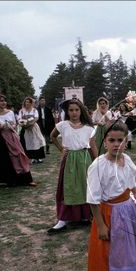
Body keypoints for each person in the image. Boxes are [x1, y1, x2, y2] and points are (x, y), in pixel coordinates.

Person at [86, 119, 136, 271]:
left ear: (126, 141)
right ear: (104, 142)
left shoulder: (126, 159)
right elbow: (93, 199)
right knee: (110, 254)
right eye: (111, 140)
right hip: (109, 213)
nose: (116, 144)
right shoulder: (98, 166)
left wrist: (135, 193)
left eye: (120, 140)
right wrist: (101, 225)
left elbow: (129, 180)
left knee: (128, 250)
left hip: (127, 210)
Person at [47, 99, 98, 233]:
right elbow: (52, 136)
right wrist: (61, 149)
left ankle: (87, 216)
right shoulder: (62, 125)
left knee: (85, 187)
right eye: (71, 110)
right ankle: (63, 219)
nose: (74, 113)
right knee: (68, 187)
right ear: (67, 112)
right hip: (69, 160)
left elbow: (93, 146)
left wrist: (98, 162)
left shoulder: (89, 128)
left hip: (84, 159)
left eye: (76, 110)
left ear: (81, 111)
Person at [0, 94, 37, 187]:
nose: (4, 103)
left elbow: (15, 125)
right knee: (6, 160)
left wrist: (10, 125)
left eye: (4, 101)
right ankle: (11, 180)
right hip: (0, 140)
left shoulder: (10, 112)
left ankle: (26, 179)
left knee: (19, 156)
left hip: (12, 138)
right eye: (1, 101)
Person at [18, 97, 46, 164]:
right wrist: (24, 124)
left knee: (36, 142)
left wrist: (31, 123)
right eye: (26, 102)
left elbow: (36, 118)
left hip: (34, 128)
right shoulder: (22, 111)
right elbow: (19, 119)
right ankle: (28, 158)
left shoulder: (34, 110)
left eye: (28, 102)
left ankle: (38, 157)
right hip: (25, 128)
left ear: (31, 103)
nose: (27, 103)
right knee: (24, 142)